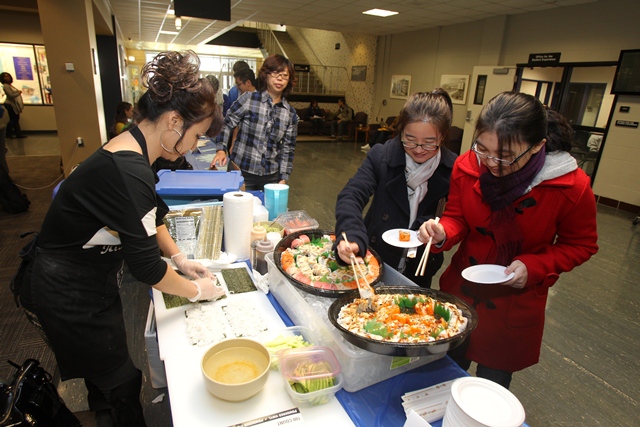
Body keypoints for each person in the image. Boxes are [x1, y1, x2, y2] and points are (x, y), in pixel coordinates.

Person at [19, 51, 225, 426]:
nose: (195, 146)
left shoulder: (131, 143)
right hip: (63, 285)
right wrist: (198, 291)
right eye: (195, 135)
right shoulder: (128, 167)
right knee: (121, 383)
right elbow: (146, 267)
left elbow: (153, 214)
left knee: (107, 374)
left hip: (89, 276)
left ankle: (103, 411)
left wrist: (180, 258)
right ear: (174, 121)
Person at [418, 92, 599, 389]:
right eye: (483, 148)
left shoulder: (571, 186)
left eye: (504, 155)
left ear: (538, 146)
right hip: (461, 291)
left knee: (492, 386)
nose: (490, 162)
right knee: (444, 375)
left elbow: (581, 245)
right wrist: (443, 231)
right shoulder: (468, 165)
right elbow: (457, 216)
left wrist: (536, 265)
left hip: (514, 303)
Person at [334, 89, 457, 288]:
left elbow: (455, 216)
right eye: (409, 139)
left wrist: (435, 227)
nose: (418, 149)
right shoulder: (382, 156)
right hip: (376, 256)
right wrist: (352, 234)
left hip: (421, 263)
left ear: (442, 137)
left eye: (429, 143)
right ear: (400, 131)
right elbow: (352, 195)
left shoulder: (453, 168)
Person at [211, 54, 298, 191]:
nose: (280, 78)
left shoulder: (290, 114)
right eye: (275, 73)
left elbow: (288, 149)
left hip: (271, 176)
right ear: (266, 75)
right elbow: (227, 123)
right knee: (237, 210)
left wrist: (284, 177)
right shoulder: (249, 99)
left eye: (285, 75)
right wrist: (221, 149)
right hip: (242, 171)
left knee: (267, 212)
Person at [1, 72, 27, 138]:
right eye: (5, 77)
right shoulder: (6, 86)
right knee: (13, 119)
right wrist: (18, 93)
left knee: (16, 119)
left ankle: (18, 133)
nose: (7, 78)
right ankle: (7, 133)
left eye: (8, 76)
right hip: (10, 104)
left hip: (13, 104)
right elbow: (11, 95)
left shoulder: (9, 85)